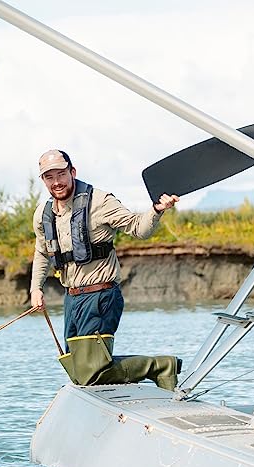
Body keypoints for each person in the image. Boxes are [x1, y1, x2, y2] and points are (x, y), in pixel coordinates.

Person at [30, 149, 180, 389]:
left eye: (61, 173)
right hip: (72, 299)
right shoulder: (43, 214)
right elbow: (42, 252)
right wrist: (35, 289)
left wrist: (157, 210)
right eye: (50, 177)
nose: (56, 182)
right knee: (79, 370)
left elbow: (138, 228)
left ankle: (160, 366)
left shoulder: (100, 202)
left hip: (101, 295)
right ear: (44, 180)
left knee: (92, 370)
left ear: (72, 172)